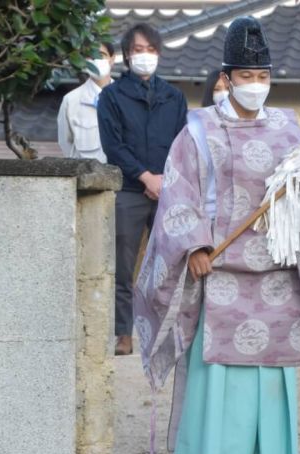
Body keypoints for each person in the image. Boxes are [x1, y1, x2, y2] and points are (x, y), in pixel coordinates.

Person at [132, 17, 300, 454]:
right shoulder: (199, 131)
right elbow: (178, 192)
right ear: (226, 78)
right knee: (221, 369)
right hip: (221, 271)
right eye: (247, 77)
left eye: (263, 76)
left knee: (271, 373)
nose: (256, 86)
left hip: (278, 272)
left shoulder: (290, 131)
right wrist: (195, 246)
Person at [98, 23, 188, 356]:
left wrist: (165, 179)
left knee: (172, 262)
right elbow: (113, 146)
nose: (145, 56)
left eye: (150, 50)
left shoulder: (174, 96)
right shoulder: (111, 96)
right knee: (122, 266)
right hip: (130, 190)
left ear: (159, 54)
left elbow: (183, 143)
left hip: (169, 189)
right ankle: (123, 333)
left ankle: (171, 329)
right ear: (126, 56)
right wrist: (145, 177)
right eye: (138, 50)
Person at [57, 41, 116, 161]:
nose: (96, 60)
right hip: (85, 176)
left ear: (112, 59)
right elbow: (66, 144)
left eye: (101, 55)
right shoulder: (71, 100)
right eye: (91, 56)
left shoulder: (127, 97)